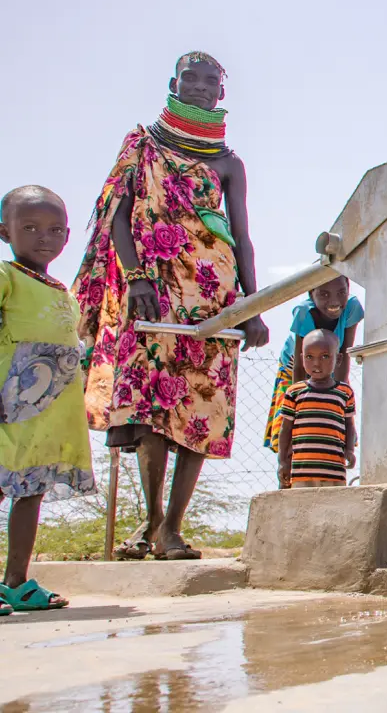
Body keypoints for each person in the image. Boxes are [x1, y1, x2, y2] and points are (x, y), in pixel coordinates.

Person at [75, 52, 270, 561]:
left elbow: (243, 239)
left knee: (199, 407)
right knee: (151, 408)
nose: (202, 88)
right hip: (153, 290)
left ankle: (171, 528)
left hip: (213, 297)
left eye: (212, 82)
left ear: (222, 94)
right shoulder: (143, 146)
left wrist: (252, 305)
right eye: (192, 78)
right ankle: (154, 519)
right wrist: (136, 275)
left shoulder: (229, 163)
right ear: (173, 83)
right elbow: (116, 216)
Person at [0, 186, 93, 613]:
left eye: (55, 229)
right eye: (31, 227)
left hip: (50, 415)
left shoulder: (61, 290)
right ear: (5, 231)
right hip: (10, 409)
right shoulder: (6, 277)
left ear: (68, 236)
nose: (44, 237)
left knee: (31, 491)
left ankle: (16, 583)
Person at [262, 276, 363, 453]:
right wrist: (297, 411)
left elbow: (343, 357)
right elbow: (300, 367)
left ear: (348, 290)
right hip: (294, 367)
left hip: (330, 366)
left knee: (330, 424)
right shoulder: (303, 312)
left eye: (341, 293)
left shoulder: (352, 307)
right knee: (290, 429)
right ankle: (287, 467)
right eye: (324, 294)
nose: (334, 301)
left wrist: (343, 406)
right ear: (311, 293)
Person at [275, 330, 356, 489]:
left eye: (325, 356)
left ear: (338, 359)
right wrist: (283, 461)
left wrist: (350, 449)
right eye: (309, 357)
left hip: (334, 470)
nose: (316, 363)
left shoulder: (345, 393)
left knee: (333, 510)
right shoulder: (294, 392)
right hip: (302, 471)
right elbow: (285, 430)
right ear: (301, 359)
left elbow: (349, 425)